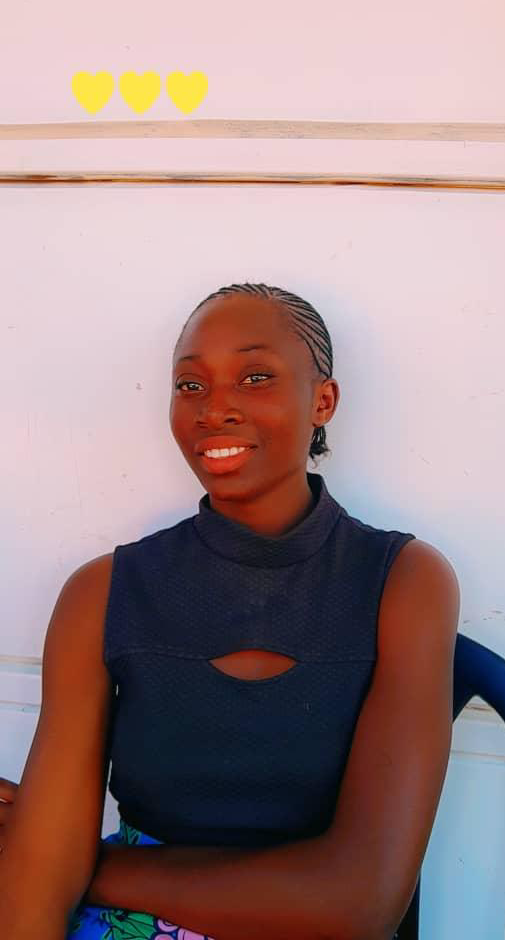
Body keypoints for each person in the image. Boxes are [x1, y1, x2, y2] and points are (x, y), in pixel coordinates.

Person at [0, 282, 459, 940]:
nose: (215, 409)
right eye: (190, 385)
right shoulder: (101, 594)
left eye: (255, 377)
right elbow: (32, 900)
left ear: (323, 401)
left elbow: (360, 902)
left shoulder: (403, 582)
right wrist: (45, 866)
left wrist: (75, 864)